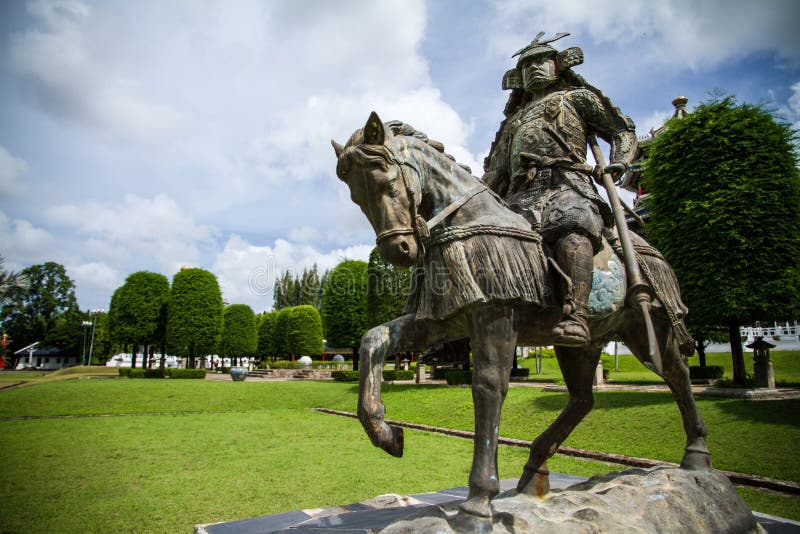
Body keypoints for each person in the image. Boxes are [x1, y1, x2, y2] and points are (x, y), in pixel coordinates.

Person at [482, 32, 637, 346]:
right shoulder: (512, 123)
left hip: (567, 184)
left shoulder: (577, 98)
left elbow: (621, 130)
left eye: (542, 61)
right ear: (518, 79)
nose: (535, 68)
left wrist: (618, 162)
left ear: (559, 64)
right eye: (527, 66)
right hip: (518, 197)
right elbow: (495, 172)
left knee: (571, 222)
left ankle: (576, 313)